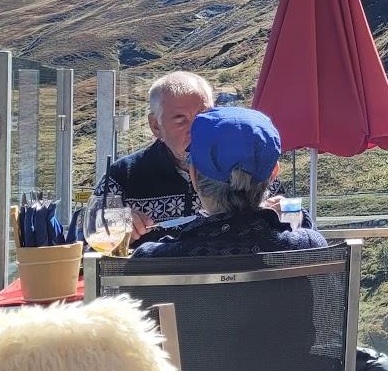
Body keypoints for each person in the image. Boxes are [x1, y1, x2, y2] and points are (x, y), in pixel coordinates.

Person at [133, 107, 325, 259]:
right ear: (274, 172)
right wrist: (299, 217)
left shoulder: (152, 258)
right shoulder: (309, 246)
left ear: (193, 174)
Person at [94, 71, 214, 242]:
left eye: (204, 117)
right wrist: (114, 229)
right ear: (156, 126)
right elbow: (87, 240)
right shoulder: (122, 176)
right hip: (146, 269)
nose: (195, 130)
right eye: (180, 120)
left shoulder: (239, 168)